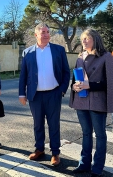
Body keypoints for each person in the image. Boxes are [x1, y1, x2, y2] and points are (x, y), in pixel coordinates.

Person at [18, 23, 70, 166]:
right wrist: (22, 93)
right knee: (38, 124)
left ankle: (55, 153)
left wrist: (62, 89)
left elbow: (66, 71)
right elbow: (23, 75)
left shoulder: (58, 50)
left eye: (47, 32)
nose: (46, 34)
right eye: (43, 32)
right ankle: (39, 149)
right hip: (35, 96)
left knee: (54, 124)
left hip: (54, 93)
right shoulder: (27, 52)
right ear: (36, 35)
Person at [69, 29, 113, 177]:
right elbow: (75, 79)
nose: (84, 41)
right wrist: (73, 86)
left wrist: (91, 85)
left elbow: (110, 82)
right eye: (83, 39)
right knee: (86, 133)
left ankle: (97, 168)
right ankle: (83, 164)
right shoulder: (80, 57)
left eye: (87, 38)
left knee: (100, 135)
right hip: (81, 101)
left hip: (98, 102)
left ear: (95, 39)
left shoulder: (106, 56)